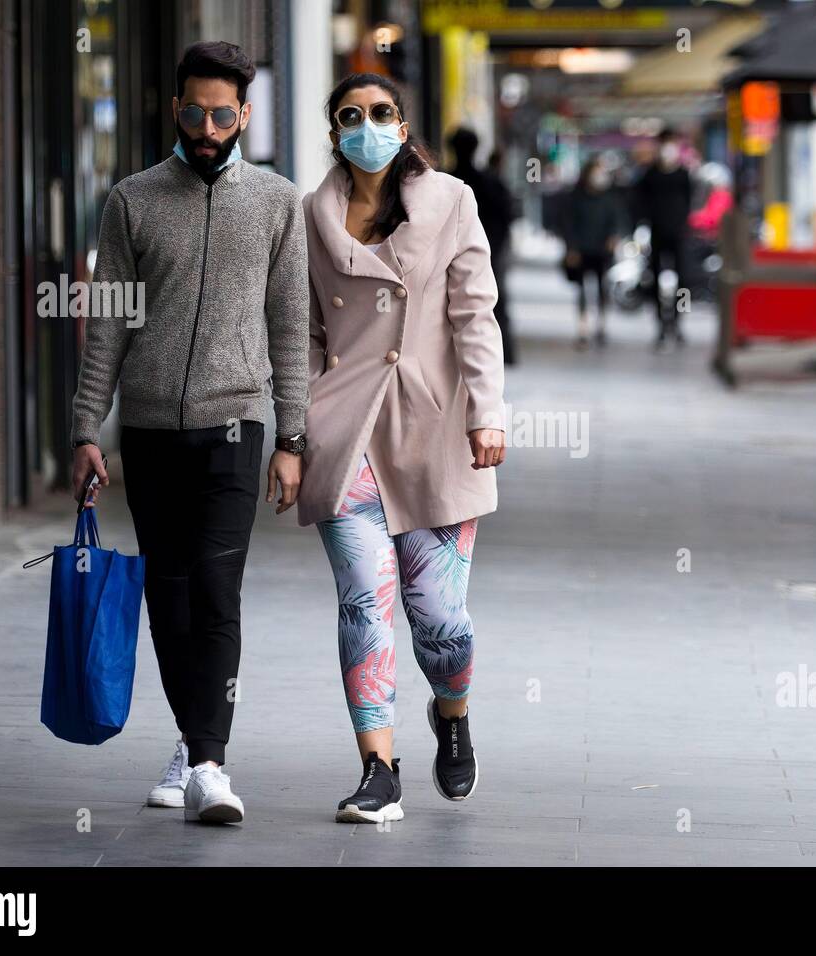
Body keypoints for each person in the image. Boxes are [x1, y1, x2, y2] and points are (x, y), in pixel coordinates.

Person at [68, 41, 309, 824]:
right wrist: (85, 431)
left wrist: (292, 438)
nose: (207, 127)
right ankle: (192, 738)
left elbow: (290, 325)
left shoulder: (277, 204)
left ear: (244, 114)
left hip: (236, 423)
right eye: (194, 112)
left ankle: (210, 760)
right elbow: (106, 328)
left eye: (221, 113)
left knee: (216, 591)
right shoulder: (132, 201)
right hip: (149, 430)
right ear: (176, 110)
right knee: (168, 595)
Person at [298, 73, 507, 824]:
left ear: (404, 122)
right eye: (350, 117)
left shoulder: (450, 201)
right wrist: (296, 435)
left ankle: (451, 715)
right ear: (333, 133)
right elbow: (306, 335)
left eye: (381, 113)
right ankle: (377, 768)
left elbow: (475, 316)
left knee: (441, 621)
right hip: (346, 433)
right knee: (363, 602)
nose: (367, 127)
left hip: (434, 431)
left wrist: (489, 414)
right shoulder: (311, 216)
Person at [448, 126, 518, 365]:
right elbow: (508, 215)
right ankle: (504, 353)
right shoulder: (490, 181)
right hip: (489, 253)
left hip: (449, 255)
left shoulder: (444, 181)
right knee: (493, 302)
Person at [633, 128, 693, 350]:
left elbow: (689, 201)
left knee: (684, 282)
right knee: (655, 280)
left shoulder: (683, 174)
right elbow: (639, 203)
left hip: (679, 235)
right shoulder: (650, 175)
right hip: (657, 234)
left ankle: (678, 323)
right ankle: (659, 325)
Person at [562, 155, 627, 349]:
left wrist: (614, 237)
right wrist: (571, 248)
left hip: (602, 252)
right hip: (581, 251)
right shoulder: (576, 197)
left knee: (602, 288)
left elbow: (618, 220)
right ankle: (583, 328)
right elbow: (568, 223)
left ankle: (601, 326)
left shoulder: (611, 198)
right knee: (582, 290)